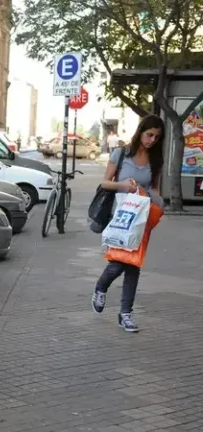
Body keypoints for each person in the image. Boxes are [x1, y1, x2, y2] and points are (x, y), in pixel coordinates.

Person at [91, 115, 165, 332]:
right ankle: (101, 286)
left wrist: (156, 203)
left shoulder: (155, 160)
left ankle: (126, 314)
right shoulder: (121, 153)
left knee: (134, 265)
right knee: (118, 262)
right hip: (120, 218)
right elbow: (105, 183)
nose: (152, 140)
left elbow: (156, 190)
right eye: (149, 134)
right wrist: (123, 185)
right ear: (140, 131)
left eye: (156, 137)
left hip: (142, 219)